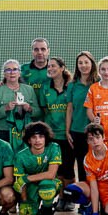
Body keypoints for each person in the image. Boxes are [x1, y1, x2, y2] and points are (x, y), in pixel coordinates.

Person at [63, 122, 108, 215]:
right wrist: (95, 213)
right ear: (87, 141)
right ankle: (89, 206)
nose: (95, 141)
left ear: (103, 137)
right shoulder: (88, 160)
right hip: (94, 187)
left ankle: (104, 211)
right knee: (69, 191)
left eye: (97, 137)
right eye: (91, 139)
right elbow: (94, 188)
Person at [13, 121, 63, 215]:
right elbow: (21, 183)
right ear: (29, 140)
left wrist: (27, 178)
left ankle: (47, 214)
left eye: (41, 136)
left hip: (49, 183)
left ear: (46, 138)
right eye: (34, 137)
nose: (37, 140)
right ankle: (37, 212)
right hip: (31, 188)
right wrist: (24, 202)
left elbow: (51, 174)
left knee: (47, 187)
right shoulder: (20, 156)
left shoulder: (54, 148)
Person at [39, 56, 76, 191]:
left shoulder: (71, 86)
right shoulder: (45, 87)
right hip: (52, 135)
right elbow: (44, 110)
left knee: (68, 168)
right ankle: (61, 197)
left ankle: (70, 196)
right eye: (48, 66)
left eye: (53, 66)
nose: (50, 68)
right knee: (57, 169)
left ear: (62, 68)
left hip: (68, 134)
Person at [0, 59, 41, 151]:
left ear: (19, 73)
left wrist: (29, 108)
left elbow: (38, 112)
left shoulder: (29, 90)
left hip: (25, 133)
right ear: (4, 74)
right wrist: (5, 108)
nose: (12, 72)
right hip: (4, 133)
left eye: (15, 69)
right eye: (8, 70)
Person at [65, 51, 98, 181]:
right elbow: (70, 109)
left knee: (96, 164)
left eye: (86, 62)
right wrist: (67, 130)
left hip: (96, 131)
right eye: (80, 63)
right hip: (77, 130)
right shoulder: (72, 85)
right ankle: (84, 192)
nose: (83, 65)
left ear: (92, 64)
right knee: (81, 165)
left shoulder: (99, 82)